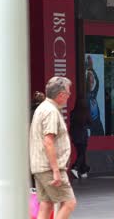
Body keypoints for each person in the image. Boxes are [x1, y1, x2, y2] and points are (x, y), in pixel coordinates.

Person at [30, 76, 76, 219]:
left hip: (40, 166)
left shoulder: (42, 108)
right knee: (69, 202)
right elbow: (48, 141)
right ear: (61, 94)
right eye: (68, 93)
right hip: (49, 168)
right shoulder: (51, 111)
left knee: (46, 204)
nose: (69, 96)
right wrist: (56, 170)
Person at [70, 99, 92, 180]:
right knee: (82, 153)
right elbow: (90, 123)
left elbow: (72, 124)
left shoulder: (73, 112)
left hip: (74, 136)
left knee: (80, 152)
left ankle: (83, 171)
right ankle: (75, 167)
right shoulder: (85, 113)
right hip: (82, 135)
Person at [86, 55, 105, 136]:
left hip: (98, 122)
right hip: (91, 124)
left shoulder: (93, 93)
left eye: (92, 81)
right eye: (90, 81)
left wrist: (92, 69)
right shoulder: (84, 94)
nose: (92, 83)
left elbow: (98, 82)